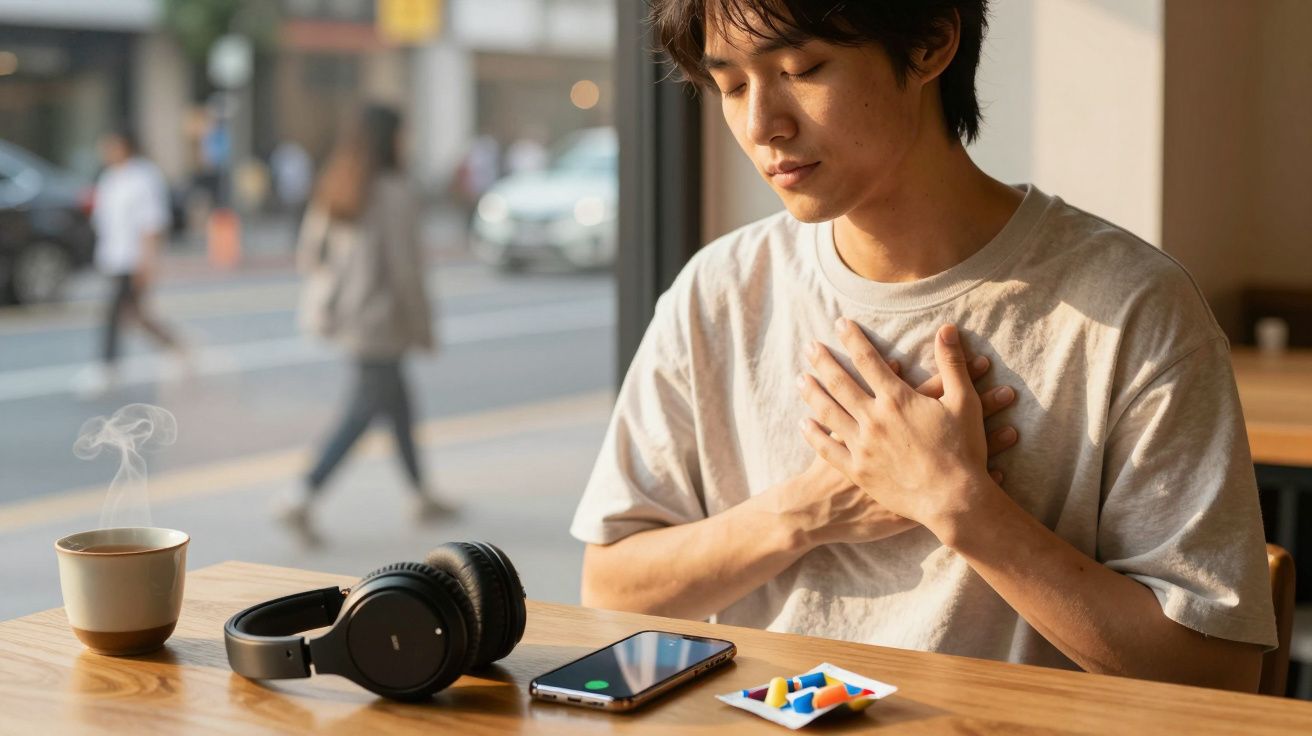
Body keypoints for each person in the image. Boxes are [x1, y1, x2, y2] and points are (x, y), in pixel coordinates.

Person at [571, 0, 1276, 692]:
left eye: (803, 68)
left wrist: (961, 505)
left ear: (932, 42)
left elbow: (1217, 676)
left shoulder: (1130, 307)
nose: (763, 125)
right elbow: (610, 586)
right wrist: (805, 512)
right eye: (731, 86)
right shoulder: (720, 289)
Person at [274, 105, 453, 544]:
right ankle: (301, 495)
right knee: (362, 413)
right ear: (389, 139)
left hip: (349, 317)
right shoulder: (394, 192)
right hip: (382, 322)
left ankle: (420, 494)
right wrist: (424, 329)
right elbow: (406, 272)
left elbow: (310, 254)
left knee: (398, 406)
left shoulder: (339, 182)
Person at [83, 129, 183, 396]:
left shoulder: (144, 176)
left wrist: (147, 263)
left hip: (134, 258)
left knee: (115, 313)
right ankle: (175, 345)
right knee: (135, 315)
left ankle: (108, 368)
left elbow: (152, 223)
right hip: (113, 258)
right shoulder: (108, 178)